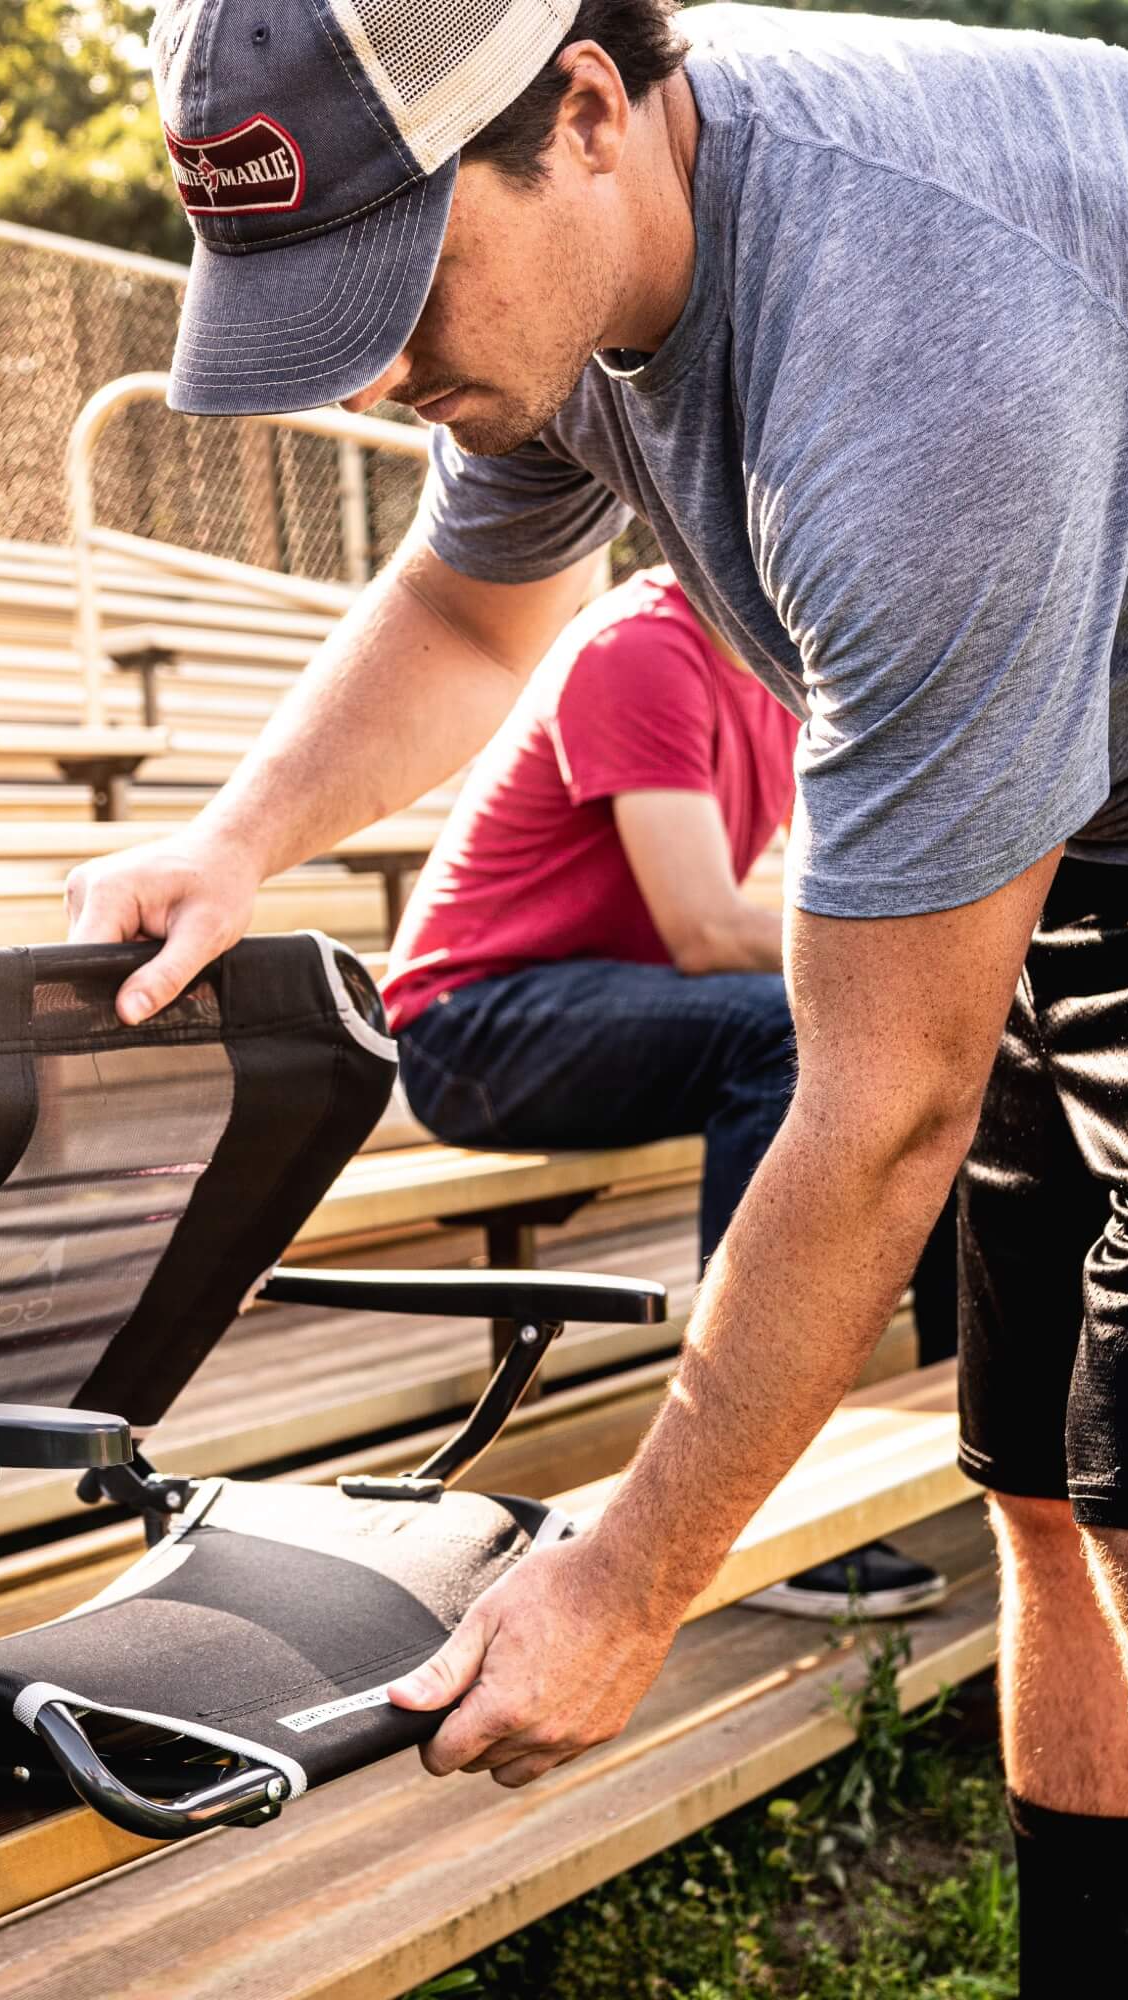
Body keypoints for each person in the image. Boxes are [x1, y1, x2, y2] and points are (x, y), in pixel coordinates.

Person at [64, 1, 1128, 1991]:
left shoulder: (916, 357)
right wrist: (241, 841)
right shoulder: (573, 288)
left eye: (396, 292)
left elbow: (882, 1106)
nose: (381, 373)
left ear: (578, 109)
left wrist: (630, 1578)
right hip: (1080, 792)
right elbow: (474, 603)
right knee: (1038, 1493)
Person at [384, 560, 953, 1620]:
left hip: (605, 1007)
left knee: (937, 1038)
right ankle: (743, 1503)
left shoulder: (784, 674)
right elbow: (702, 926)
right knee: (798, 1029)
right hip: (471, 1024)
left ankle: (970, 1428)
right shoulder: (640, 645)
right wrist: (916, 964)